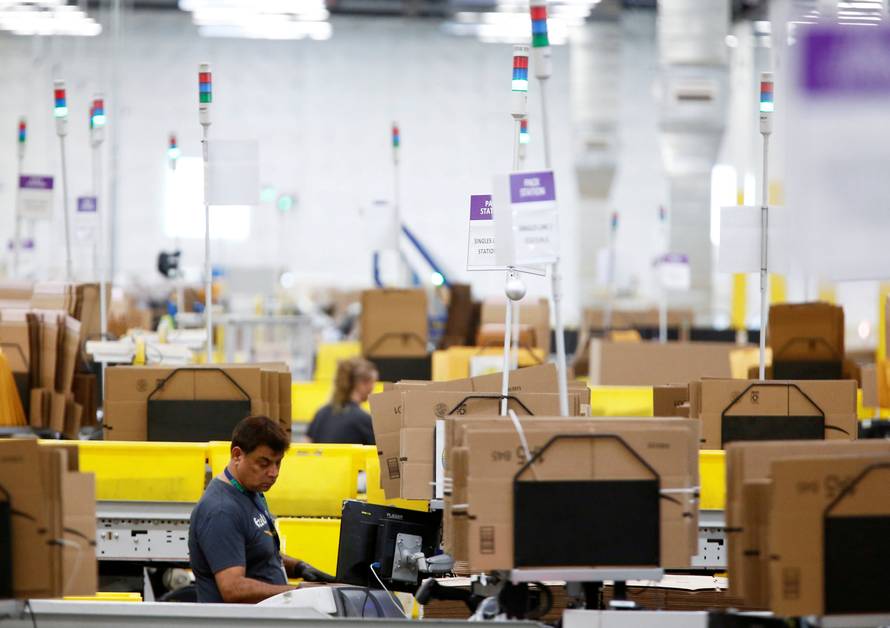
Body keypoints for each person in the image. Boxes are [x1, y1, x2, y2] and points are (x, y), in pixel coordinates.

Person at [189, 415, 334, 603]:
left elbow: (256, 549)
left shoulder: (251, 491)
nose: (274, 473)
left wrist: (299, 567)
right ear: (237, 455)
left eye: (278, 463)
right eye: (264, 463)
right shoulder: (221, 510)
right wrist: (297, 591)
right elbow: (233, 588)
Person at [307, 357, 378, 446]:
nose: (373, 387)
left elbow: (306, 448)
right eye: (372, 382)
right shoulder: (364, 420)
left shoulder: (321, 413)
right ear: (362, 383)